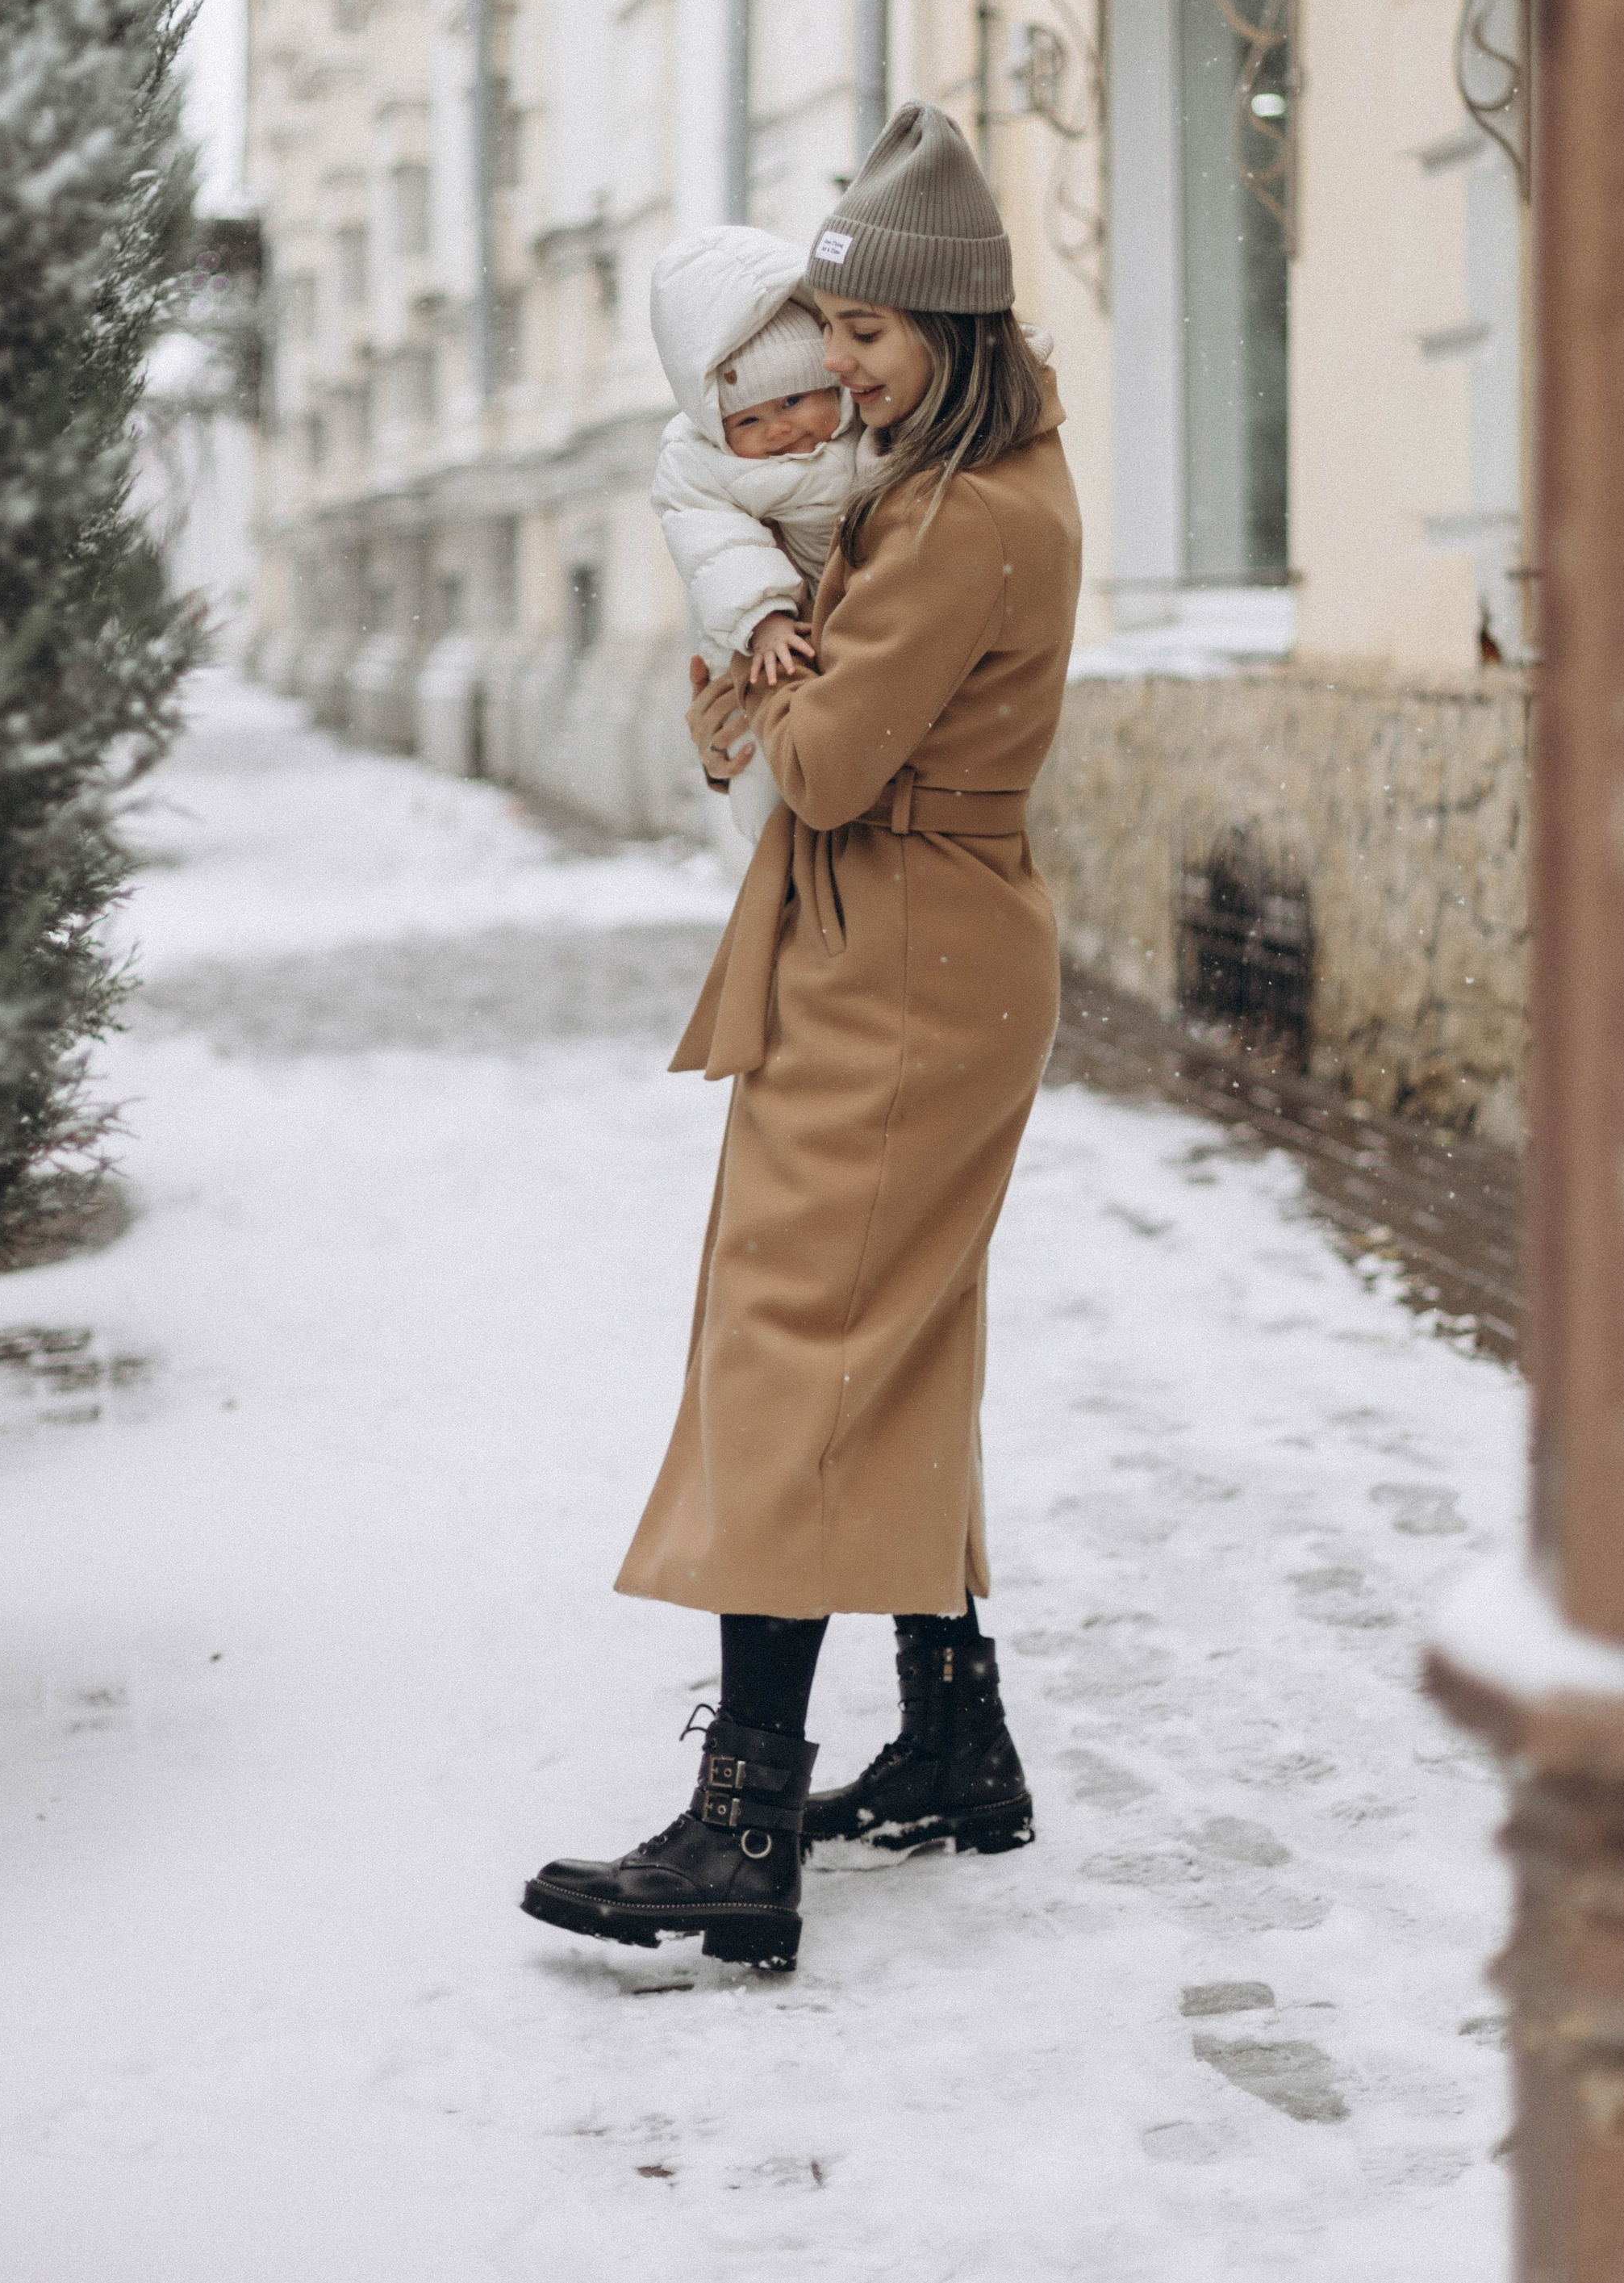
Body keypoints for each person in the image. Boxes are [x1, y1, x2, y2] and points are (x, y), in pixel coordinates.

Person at [522, 103, 1083, 1975]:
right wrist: (764, 673)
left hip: (899, 950)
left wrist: (778, 683)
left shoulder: (955, 514)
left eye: (862, 334)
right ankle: (949, 1735)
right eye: (821, 335)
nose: (830, 367)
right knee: (896, 1346)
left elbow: (830, 758)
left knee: (791, 1343)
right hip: (912, 944)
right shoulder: (940, 492)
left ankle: (742, 1819)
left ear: (950, 326)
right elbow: (785, 708)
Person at [645, 224, 860, 844]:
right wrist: (762, 618)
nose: (776, 431)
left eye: (794, 400)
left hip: (839, 646)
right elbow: (715, 542)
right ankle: (759, 819)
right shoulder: (703, 460)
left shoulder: (866, 435)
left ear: (831, 387)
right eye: (749, 419)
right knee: (761, 778)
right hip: (757, 624)